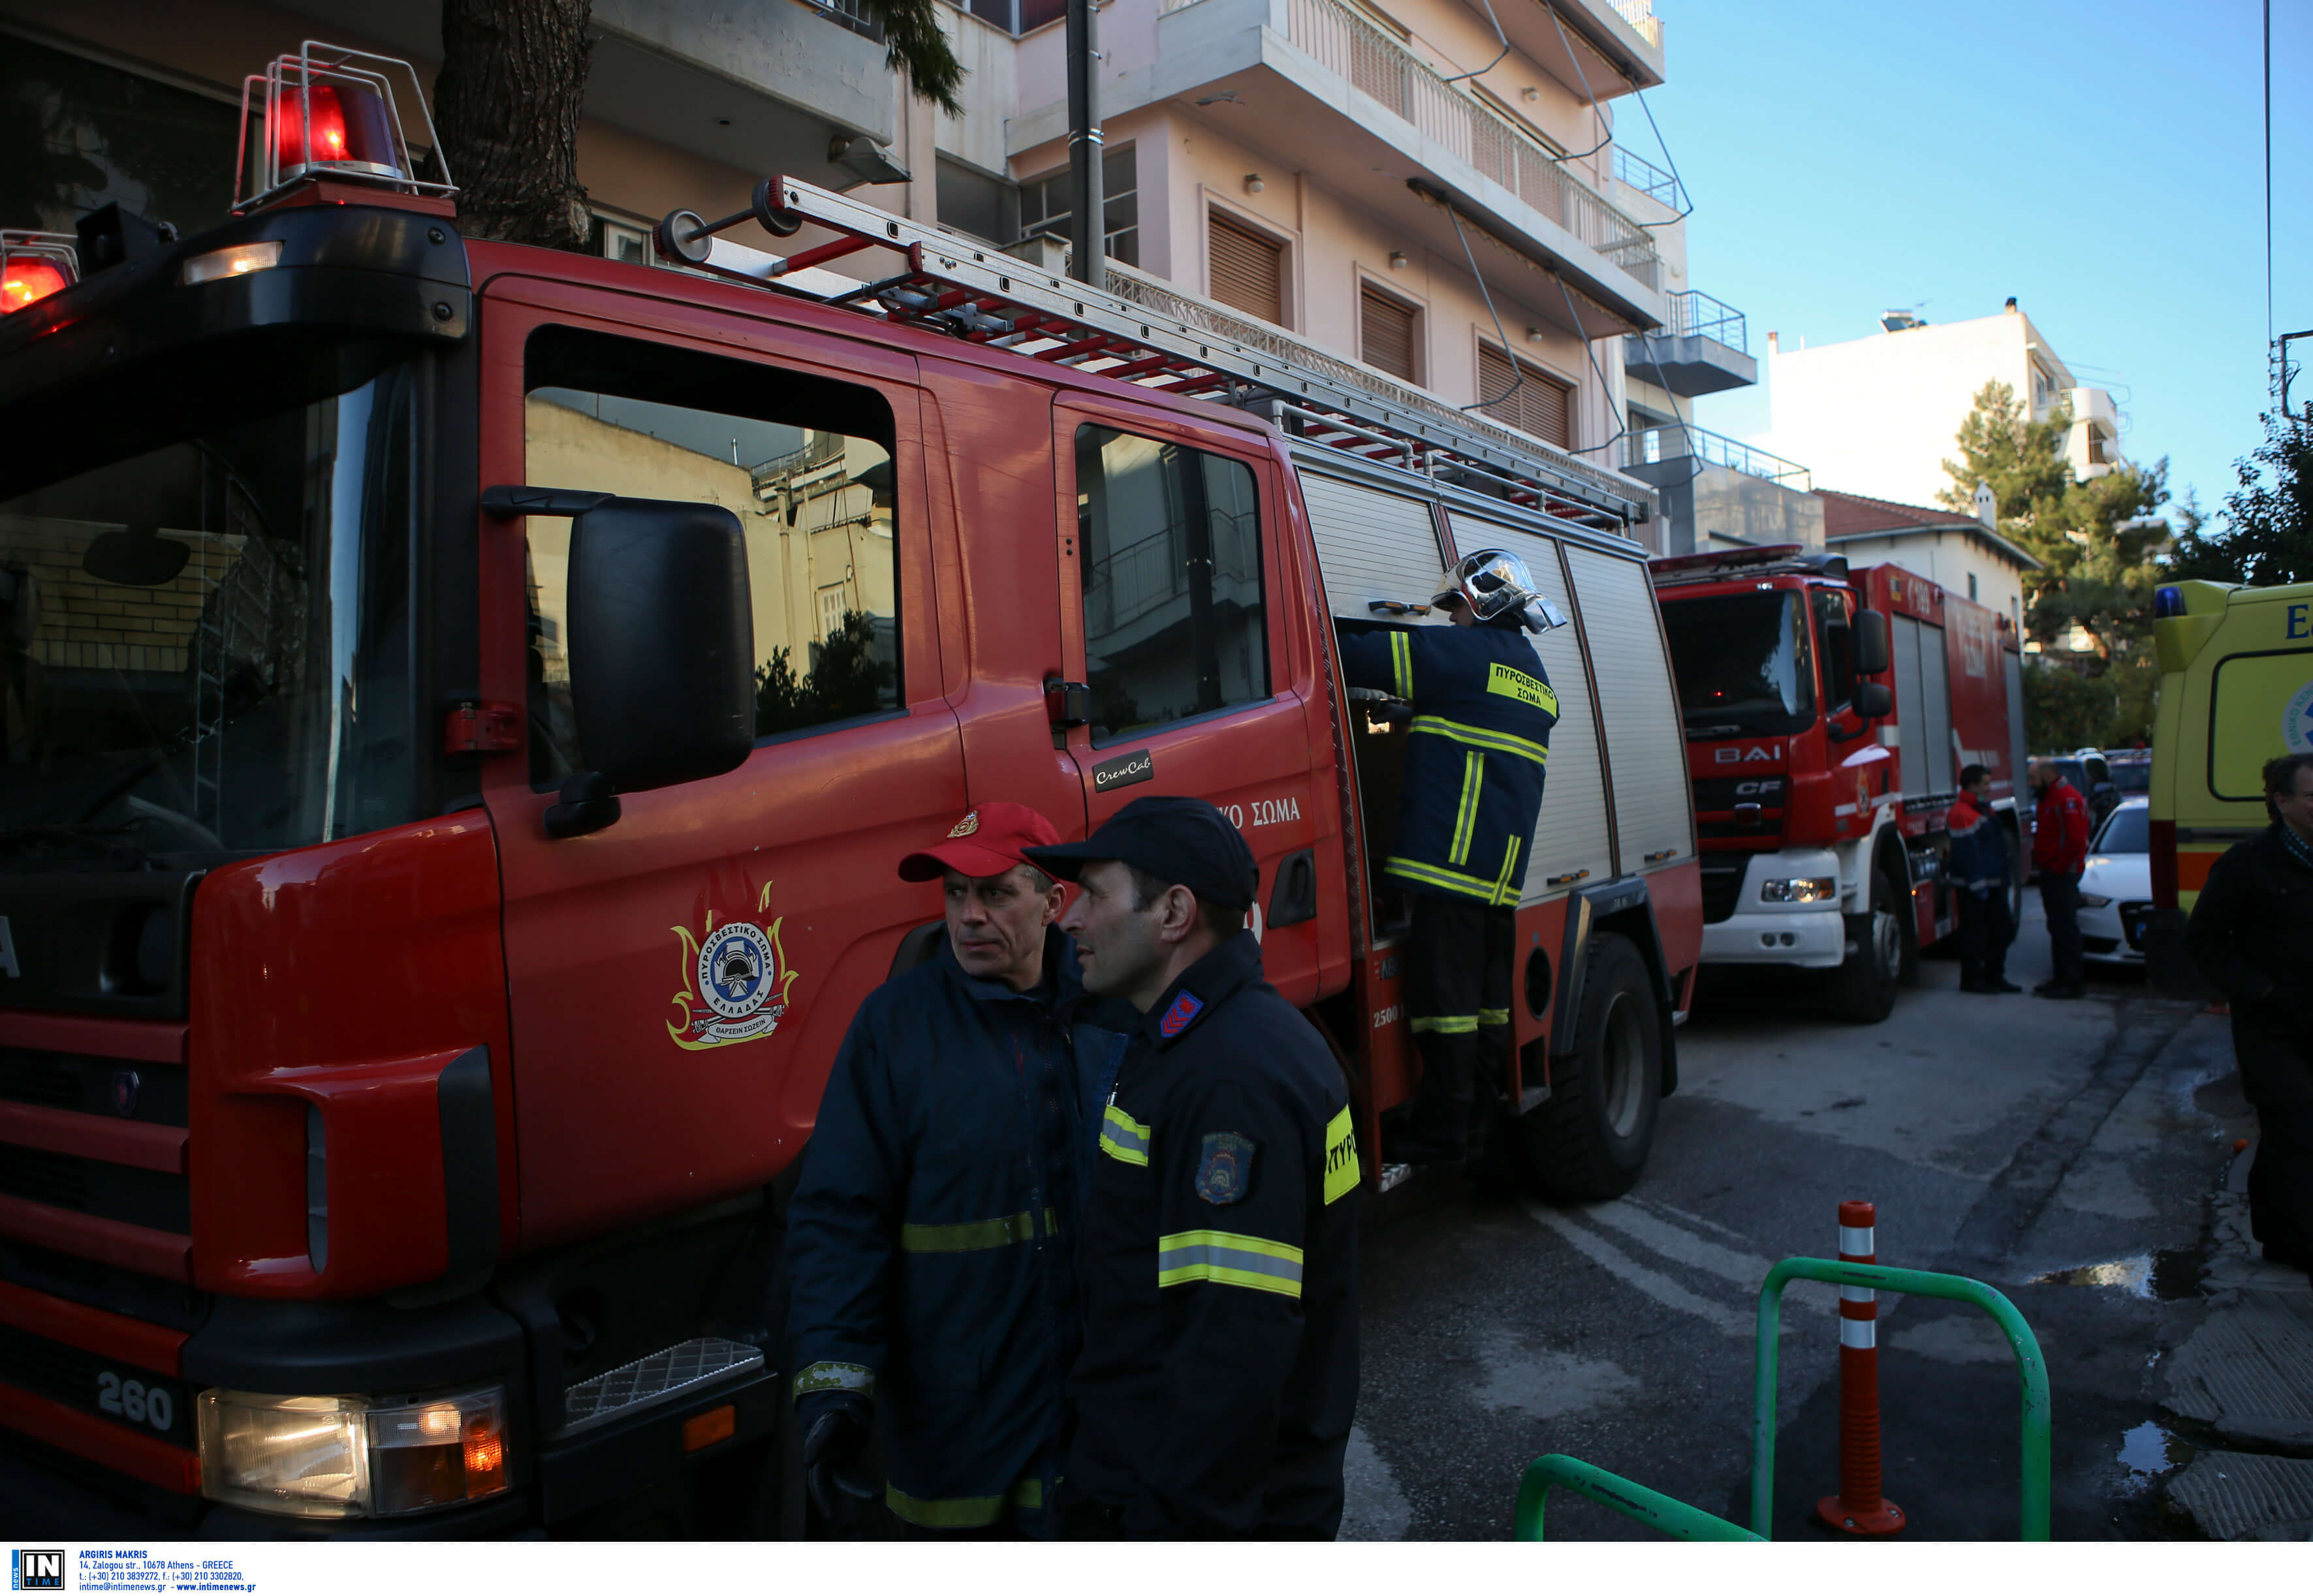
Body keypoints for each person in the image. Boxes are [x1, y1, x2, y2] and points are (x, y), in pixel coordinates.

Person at [783, 802, 1131, 1537]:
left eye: (996, 892)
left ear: (1052, 903)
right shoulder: (894, 1029)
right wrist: (836, 1391)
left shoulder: (1112, 1014)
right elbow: (840, 1217)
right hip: (960, 1436)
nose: (969, 916)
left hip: (1100, 1426)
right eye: (954, 894)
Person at [1024, 795, 1361, 1539]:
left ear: (1174, 912)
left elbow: (1231, 1353)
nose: (1070, 920)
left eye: (1094, 895)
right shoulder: (1203, 1040)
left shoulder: (1227, 1083)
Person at [1335, 550, 1561, 1163]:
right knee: (1487, 1010)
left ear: (1482, 604)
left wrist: (1304, 618)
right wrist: (1415, 713)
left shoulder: (1463, 655)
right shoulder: (1532, 677)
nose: (1451, 618)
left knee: (1445, 1012)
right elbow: (1479, 716)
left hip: (1449, 870)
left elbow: (1356, 653)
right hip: (1496, 880)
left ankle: (1441, 1136)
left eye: (1456, 607)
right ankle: (1481, 1125)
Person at [2185, 753, 2313, 1277]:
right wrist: (2257, 991)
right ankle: (2301, 1243)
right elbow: (2204, 940)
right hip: (2272, 1027)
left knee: (2287, 1138)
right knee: (2298, 1127)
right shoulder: (2247, 863)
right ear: (2281, 802)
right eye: (2312, 795)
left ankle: (2276, 1230)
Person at [1945, 763, 2019, 994]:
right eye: (1986, 783)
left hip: (1993, 884)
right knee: (1974, 936)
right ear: (1973, 785)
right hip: (1974, 888)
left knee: (2002, 930)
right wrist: (1979, 888)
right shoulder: (1961, 814)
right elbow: (1967, 855)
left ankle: (1994, 976)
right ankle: (1972, 980)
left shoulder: (1982, 809)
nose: (1990, 788)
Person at [2027, 757, 2091, 999]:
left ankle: (2071, 982)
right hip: (2054, 871)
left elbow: (2074, 840)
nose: (2031, 784)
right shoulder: (2051, 797)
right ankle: (2062, 977)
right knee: (2057, 927)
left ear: (2047, 776)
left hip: (2061, 874)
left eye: (2033, 778)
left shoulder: (2065, 799)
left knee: (2065, 928)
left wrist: (2058, 867)